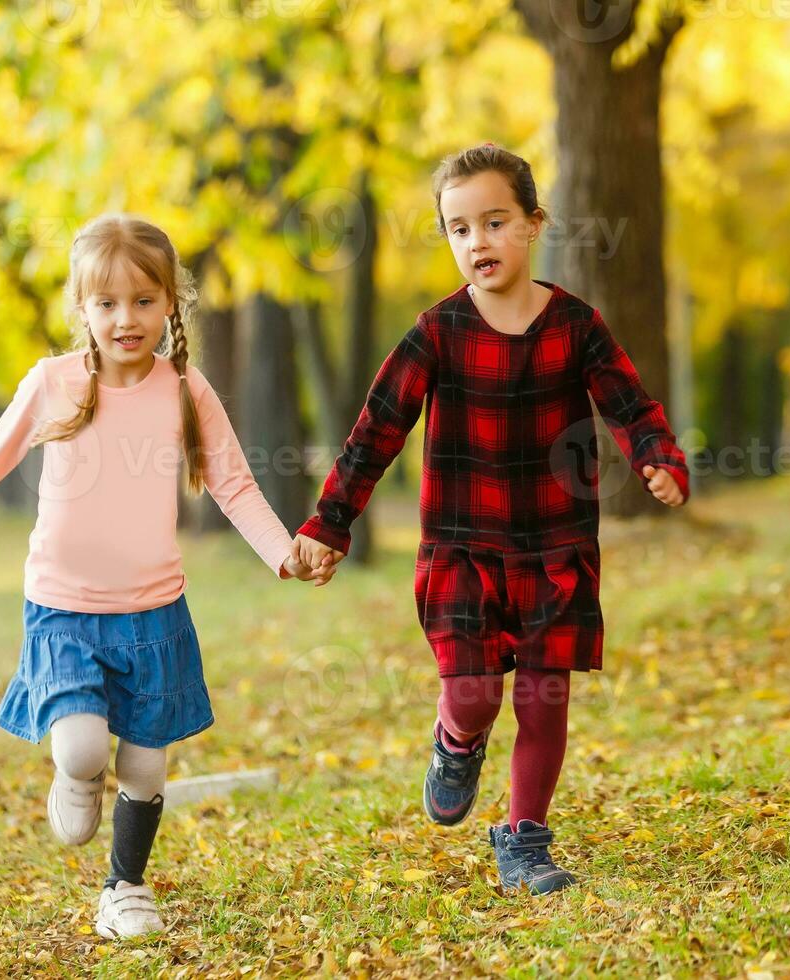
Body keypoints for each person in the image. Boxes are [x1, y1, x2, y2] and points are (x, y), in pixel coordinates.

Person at [0, 213, 333, 938]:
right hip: (63, 608)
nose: (124, 319)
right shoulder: (54, 382)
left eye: (142, 300)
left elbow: (233, 485)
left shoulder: (185, 391)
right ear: (81, 308)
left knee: (144, 769)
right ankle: (72, 776)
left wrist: (282, 551)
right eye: (105, 304)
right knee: (82, 749)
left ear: (171, 302)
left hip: (153, 613)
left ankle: (125, 888)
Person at [291, 145, 687, 895]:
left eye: (495, 221)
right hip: (463, 547)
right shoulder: (436, 332)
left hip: (555, 546)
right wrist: (328, 523)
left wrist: (657, 456)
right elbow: (376, 431)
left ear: (533, 224)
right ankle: (455, 738)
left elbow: (630, 404)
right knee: (476, 695)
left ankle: (526, 839)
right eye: (459, 228)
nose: (478, 242)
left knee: (544, 697)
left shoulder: (577, 325)